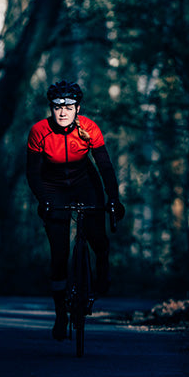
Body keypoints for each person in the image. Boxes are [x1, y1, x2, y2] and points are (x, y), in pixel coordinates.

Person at [26, 80, 124, 341]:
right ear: (51, 108)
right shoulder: (39, 131)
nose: (62, 111)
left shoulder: (89, 129)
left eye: (69, 106)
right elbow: (33, 173)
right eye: (57, 106)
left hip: (85, 183)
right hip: (52, 186)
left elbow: (105, 167)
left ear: (77, 108)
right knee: (59, 254)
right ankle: (61, 313)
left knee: (97, 238)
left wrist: (113, 199)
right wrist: (43, 198)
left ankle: (101, 265)